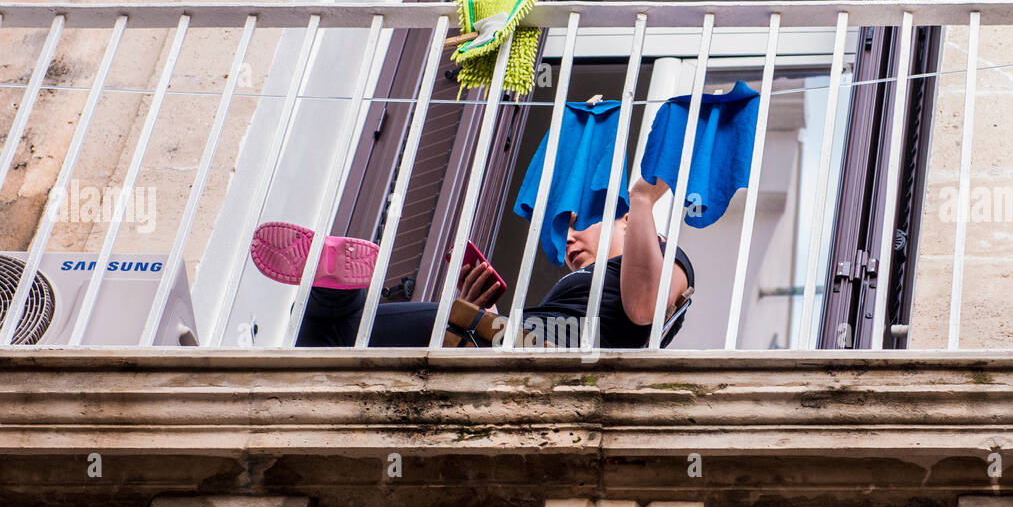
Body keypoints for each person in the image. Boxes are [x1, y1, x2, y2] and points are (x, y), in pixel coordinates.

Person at [259, 177, 693, 348]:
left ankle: (334, 281)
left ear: (625, 224)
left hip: (526, 348)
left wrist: (640, 203)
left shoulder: (668, 258)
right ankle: (332, 281)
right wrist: (479, 312)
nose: (570, 241)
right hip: (516, 344)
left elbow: (645, 309)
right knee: (328, 342)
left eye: (582, 227)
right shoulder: (593, 286)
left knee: (341, 330)